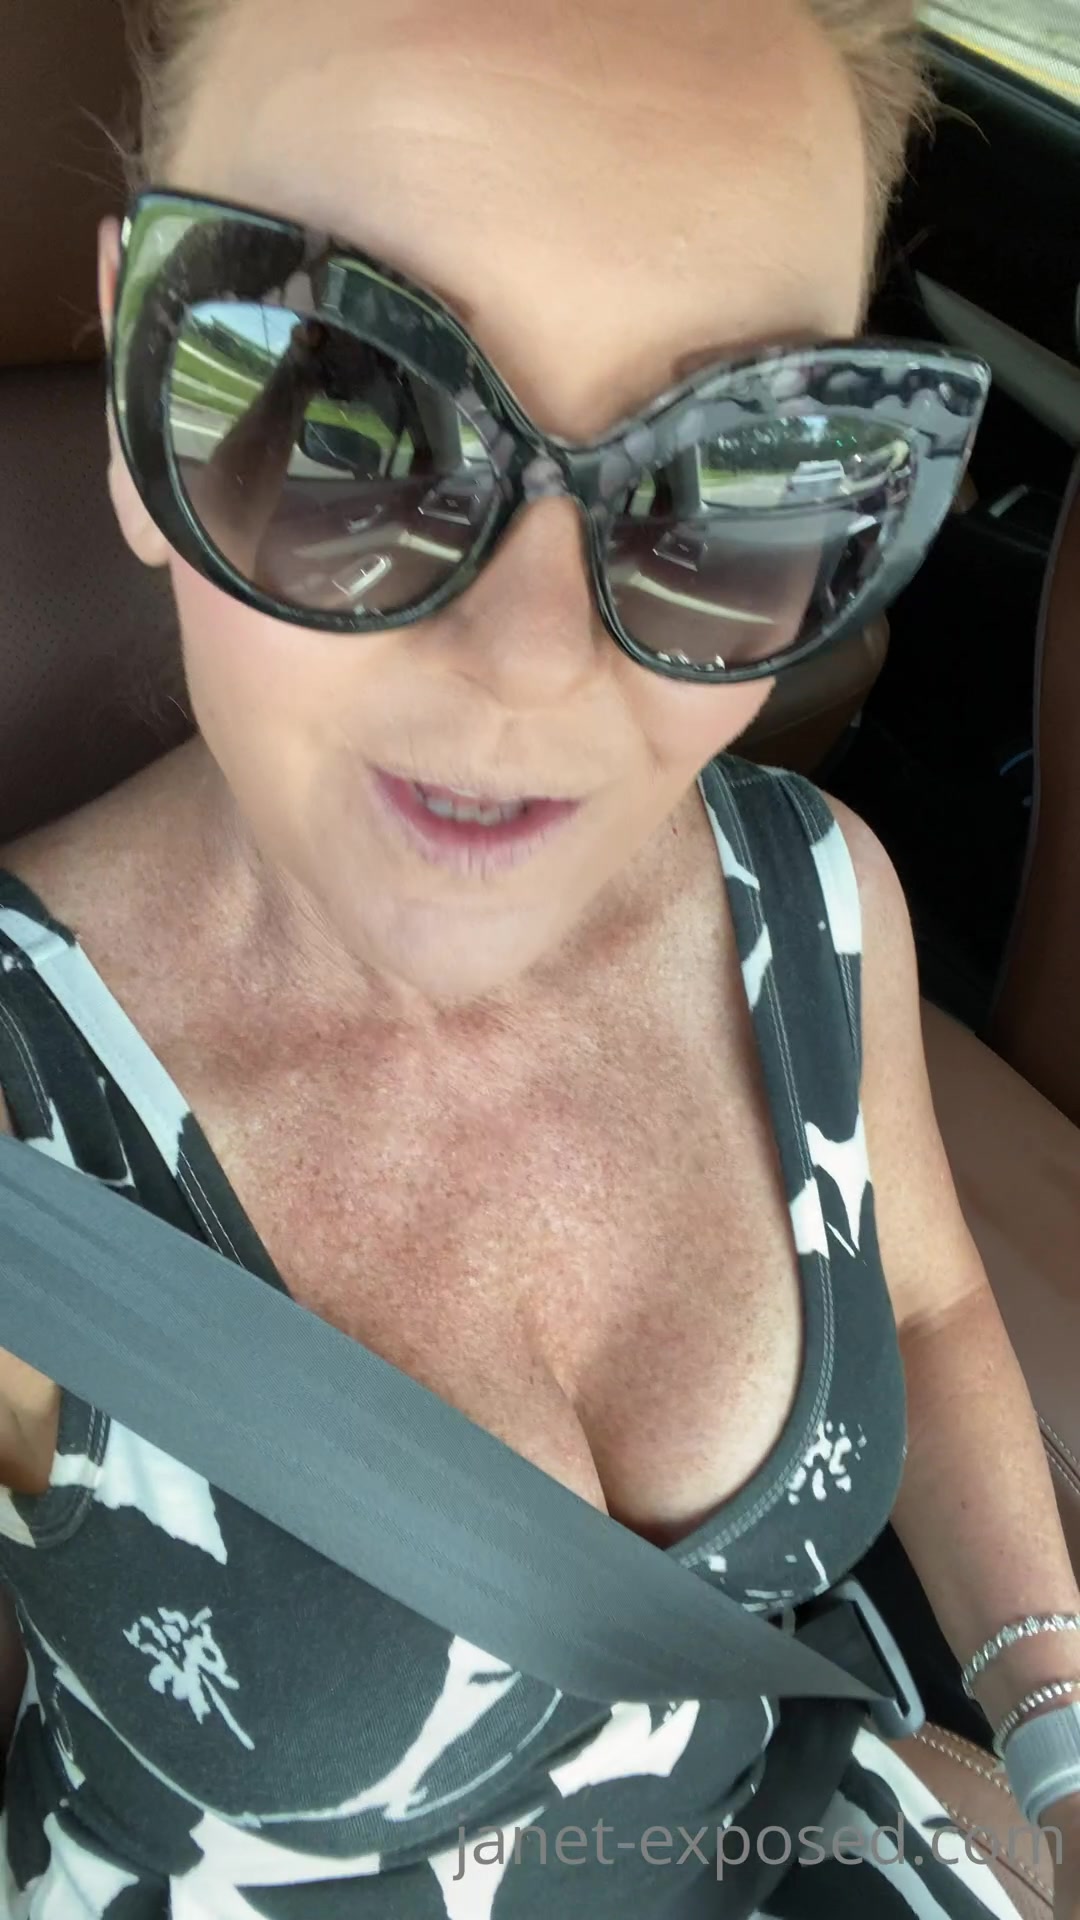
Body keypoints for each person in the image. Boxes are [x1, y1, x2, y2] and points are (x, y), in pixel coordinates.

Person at [0, 0, 1076, 1913]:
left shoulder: (812, 897)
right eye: (348, 419)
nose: (533, 663)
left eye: (735, 465)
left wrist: (1054, 1738)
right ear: (132, 399)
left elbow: (922, 1306)